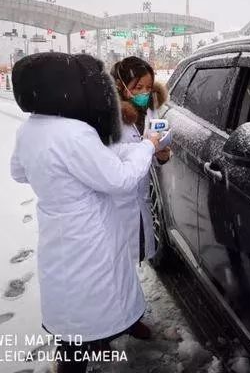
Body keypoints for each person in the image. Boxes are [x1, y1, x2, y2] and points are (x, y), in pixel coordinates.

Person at [10, 52, 160, 373]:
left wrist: (56, 182)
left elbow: (20, 173)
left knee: (72, 295)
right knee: (96, 296)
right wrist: (148, 146)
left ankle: (79, 349)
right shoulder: (75, 133)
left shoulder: (30, 129)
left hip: (56, 227)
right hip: (89, 232)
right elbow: (119, 180)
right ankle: (77, 359)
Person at [109, 56, 171, 339]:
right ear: (122, 86)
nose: (145, 93)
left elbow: (156, 153)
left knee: (130, 264)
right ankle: (109, 325)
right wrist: (145, 149)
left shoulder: (152, 113)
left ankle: (129, 318)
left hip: (138, 198)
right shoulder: (108, 119)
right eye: (138, 87)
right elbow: (111, 163)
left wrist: (160, 154)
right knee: (112, 267)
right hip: (114, 204)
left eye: (148, 86)